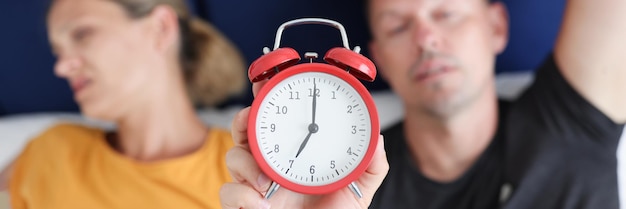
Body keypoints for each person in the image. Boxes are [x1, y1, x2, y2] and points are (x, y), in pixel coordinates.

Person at [220, 0, 626, 208]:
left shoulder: (573, 119)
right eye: (399, 25)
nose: (426, 38)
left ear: (497, 26)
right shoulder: (348, 187)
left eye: (447, 13)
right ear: (377, 57)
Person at [0, 0, 246, 208]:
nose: (61, 67)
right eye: (58, 52)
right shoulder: (49, 152)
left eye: (81, 34)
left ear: (160, 28)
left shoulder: (245, 167)